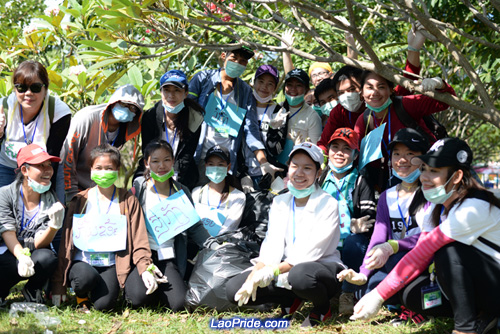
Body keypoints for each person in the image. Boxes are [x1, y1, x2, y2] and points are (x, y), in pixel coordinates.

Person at [350, 137, 500, 334]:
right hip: (482, 286)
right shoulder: (436, 209)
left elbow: (423, 251)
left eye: (434, 171)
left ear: (456, 177)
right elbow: (419, 258)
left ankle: (465, 328)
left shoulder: (473, 208)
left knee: (448, 252)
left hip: (494, 283)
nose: (425, 177)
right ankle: (484, 315)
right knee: (411, 294)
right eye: (424, 169)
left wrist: (378, 295)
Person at [226, 142, 345, 327]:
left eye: (307, 168)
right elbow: (272, 244)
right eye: (295, 166)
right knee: (233, 288)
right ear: (288, 168)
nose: (299, 173)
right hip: (287, 269)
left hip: (321, 268)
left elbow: (311, 252)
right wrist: (255, 273)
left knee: (299, 276)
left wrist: (273, 271)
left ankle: (322, 308)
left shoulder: (327, 203)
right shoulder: (280, 201)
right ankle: (289, 301)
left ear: (318, 173)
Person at [52, 145, 165, 311]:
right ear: (91, 169)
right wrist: (58, 283)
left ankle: (97, 292)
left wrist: (145, 268)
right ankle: (81, 295)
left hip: (111, 263)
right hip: (83, 261)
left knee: (104, 305)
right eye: (98, 168)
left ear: (117, 170)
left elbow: (139, 239)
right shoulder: (79, 201)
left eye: (109, 168)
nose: (103, 172)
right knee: (84, 279)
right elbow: (66, 244)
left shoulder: (128, 201)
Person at [337, 128, 433, 322]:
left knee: (386, 276)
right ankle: (398, 303)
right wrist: (362, 274)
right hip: (395, 260)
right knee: (372, 284)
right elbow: (378, 238)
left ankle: (414, 307)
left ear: (423, 159)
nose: (402, 160)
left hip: (426, 261)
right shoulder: (386, 196)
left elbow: (431, 237)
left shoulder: (433, 193)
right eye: (396, 154)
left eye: (410, 154)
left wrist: (393, 246)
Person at [317, 23, 427, 154]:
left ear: (363, 88)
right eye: (341, 93)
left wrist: (413, 48)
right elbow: (323, 144)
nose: (347, 95)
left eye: (352, 89)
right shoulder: (339, 112)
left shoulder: (387, 98)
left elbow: (408, 80)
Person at [133, 140, 209, 311]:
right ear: (146, 163)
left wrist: (213, 245)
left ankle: (161, 288)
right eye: (155, 161)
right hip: (143, 254)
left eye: (167, 160)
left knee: (179, 304)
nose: (162, 166)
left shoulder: (181, 191)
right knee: (138, 299)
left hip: (168, 256)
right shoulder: (139, 187)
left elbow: (195, 227)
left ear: (173, 161)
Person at [188, 46, 279, 183]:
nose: (237, 63)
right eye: (233, 58)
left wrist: (263, 162)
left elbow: (250, 129)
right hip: (200, 157)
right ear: (224, 56)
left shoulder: (245, 91)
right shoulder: (202, 79)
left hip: (227, 162)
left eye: (242, 61)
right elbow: (186, 113)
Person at [353, 70, 456, 190]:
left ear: (391, 90)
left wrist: (440, 84)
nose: (375, 92)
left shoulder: (405, 105)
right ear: (362, 92)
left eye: (381, 87)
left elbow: (446, 102)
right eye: (369, 87)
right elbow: (357, 154)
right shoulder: (363, 120)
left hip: (430, 174)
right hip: (396, 182)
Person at [318, 127, 376, 315]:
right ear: (328, 151)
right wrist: (346, 224)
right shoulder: (319, 178)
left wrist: (352, 228)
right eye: (335, 147)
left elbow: (368, 221)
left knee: (354, 242)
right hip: (324, 237)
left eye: (346, 149)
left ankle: (347, 293)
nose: (340, 153)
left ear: (355, 153)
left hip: (349, 243)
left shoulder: (361, 180)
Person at [0, 144, 64, 305]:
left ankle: (33, 289)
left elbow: (41, 242)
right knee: (6, 264)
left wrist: (53, 227)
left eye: (49, 165)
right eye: (40, 165)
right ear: (24, 171)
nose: (47, 170)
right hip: (7, 250)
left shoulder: (51, 199)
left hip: (32, 249)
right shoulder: (5, 194)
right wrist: (21, 256)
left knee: (47, 258)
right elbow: (6, 230)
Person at [61, 84, 145, 202]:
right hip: (74, 189)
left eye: (132, 108)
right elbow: (68, 158)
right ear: (113, 102)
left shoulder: (125, 129)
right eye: (124, 104)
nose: (127, 109)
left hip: (98, 192)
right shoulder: (86, 118)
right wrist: (72, 195)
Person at [0, 60, 71, 196]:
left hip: (45, 168)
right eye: (21, 87)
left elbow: (53, 153)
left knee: (51, 209)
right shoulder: (3, 108)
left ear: (45, 89)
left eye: (36, 87)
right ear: (14, 89)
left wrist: (48, 195)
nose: (28, 93)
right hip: (7, 167)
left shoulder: (59, 111)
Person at [138, 70, 205, 190]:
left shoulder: (194, 118)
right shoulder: (150, 116)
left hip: (182, 174)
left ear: (185, 93)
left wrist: (174, 181)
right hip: (153, 168)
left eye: (177, 90)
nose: (171, 95)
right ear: (161, 92)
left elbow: (187, 155)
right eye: (167, 90)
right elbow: (147, 151)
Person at [241, 65, 284, 190]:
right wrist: (241, 173)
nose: (264, 87)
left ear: (275, 88)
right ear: (254, 82)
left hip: (267, 174)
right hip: (244, 174)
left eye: (270, 84)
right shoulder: (242, 106)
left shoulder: (278, 112)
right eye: (261, 81)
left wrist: (274, 130)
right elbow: (234, 141)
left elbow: (276, 150)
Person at [192, 145, 245, 236]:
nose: (215, 168)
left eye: (220, 164)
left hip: (219, 246)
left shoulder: (238, 197)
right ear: (205, 166)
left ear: (228, 167)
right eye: (211, 164)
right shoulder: (196, 192)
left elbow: (229, 228)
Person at [272, 69, 322, 166]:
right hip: (272, 164)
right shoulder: (277, 108)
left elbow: (315, 150)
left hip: (296, 168)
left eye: (298, 85)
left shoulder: (312, 116)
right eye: (289, 85)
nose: (293, 89)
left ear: (306, 89)